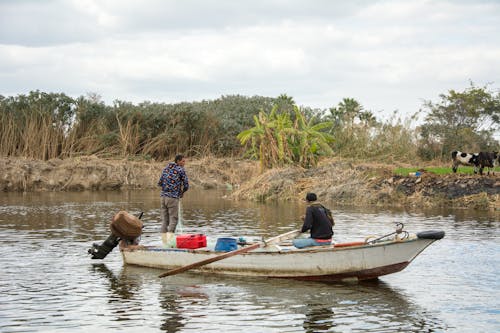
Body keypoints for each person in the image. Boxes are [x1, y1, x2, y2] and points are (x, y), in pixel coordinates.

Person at [157, 154, 189, 247]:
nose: (184, 163)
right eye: (183, 161)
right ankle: (170, 243)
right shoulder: (180, 170)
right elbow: (186, 184)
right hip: (172, 198)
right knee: (173, 220)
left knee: (165, 221)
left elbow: (160, 183)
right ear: (178, 161)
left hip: (163, 198)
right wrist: (182, 192)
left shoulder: (166, 168)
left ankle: (164, 242)